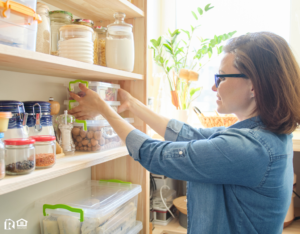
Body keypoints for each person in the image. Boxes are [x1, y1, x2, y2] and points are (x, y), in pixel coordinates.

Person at [68, 32, 300, 234]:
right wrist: (134, 106)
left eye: (221, 77)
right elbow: (191, 135)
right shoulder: (261, 135)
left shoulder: (250, 148)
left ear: (254, 86)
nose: (213, 86)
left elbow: (155, 155)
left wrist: (103, 109)